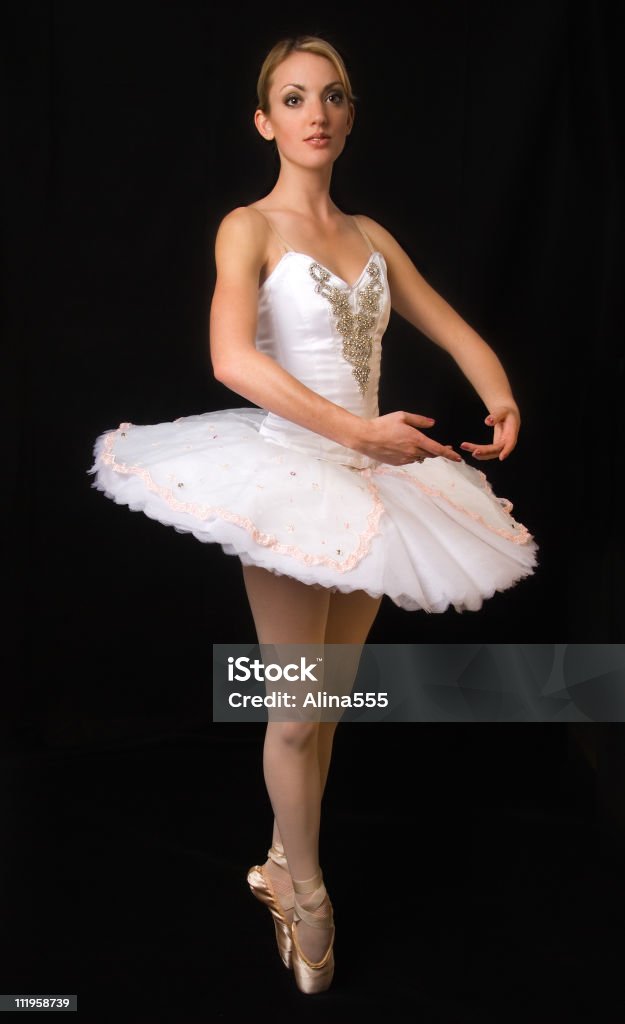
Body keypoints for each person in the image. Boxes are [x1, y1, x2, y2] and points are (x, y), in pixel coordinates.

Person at [88, 35, 538, 995]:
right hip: (292, 469)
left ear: (348, 114)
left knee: (325, 702)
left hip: (375, 480)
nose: (316, 113)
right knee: (294, 715)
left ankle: (286, 863)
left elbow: (449, 324)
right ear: (266, 121)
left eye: (332, 95)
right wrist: (357, 433)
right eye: (294, 99)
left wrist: (495, 391)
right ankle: (310, 896)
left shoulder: (370, 234)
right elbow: (232, 361)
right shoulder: (246, 227)